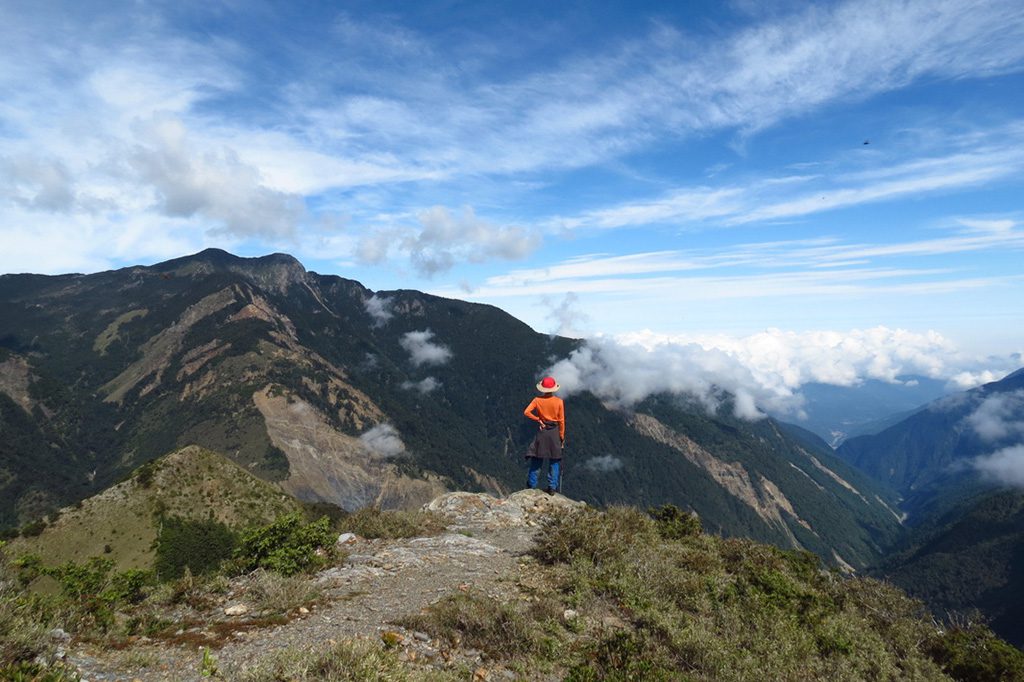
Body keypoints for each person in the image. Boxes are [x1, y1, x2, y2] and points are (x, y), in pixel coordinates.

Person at [523, 376, 565, 494]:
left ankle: (531, 485)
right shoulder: (559, 402)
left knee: (537, 458)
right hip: (554, 432)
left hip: (542, 432)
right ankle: (552, 487)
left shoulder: (537, 400)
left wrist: (538, 419)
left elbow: (526, 412)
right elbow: (561, 421)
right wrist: (561, 437)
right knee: (555, 460)